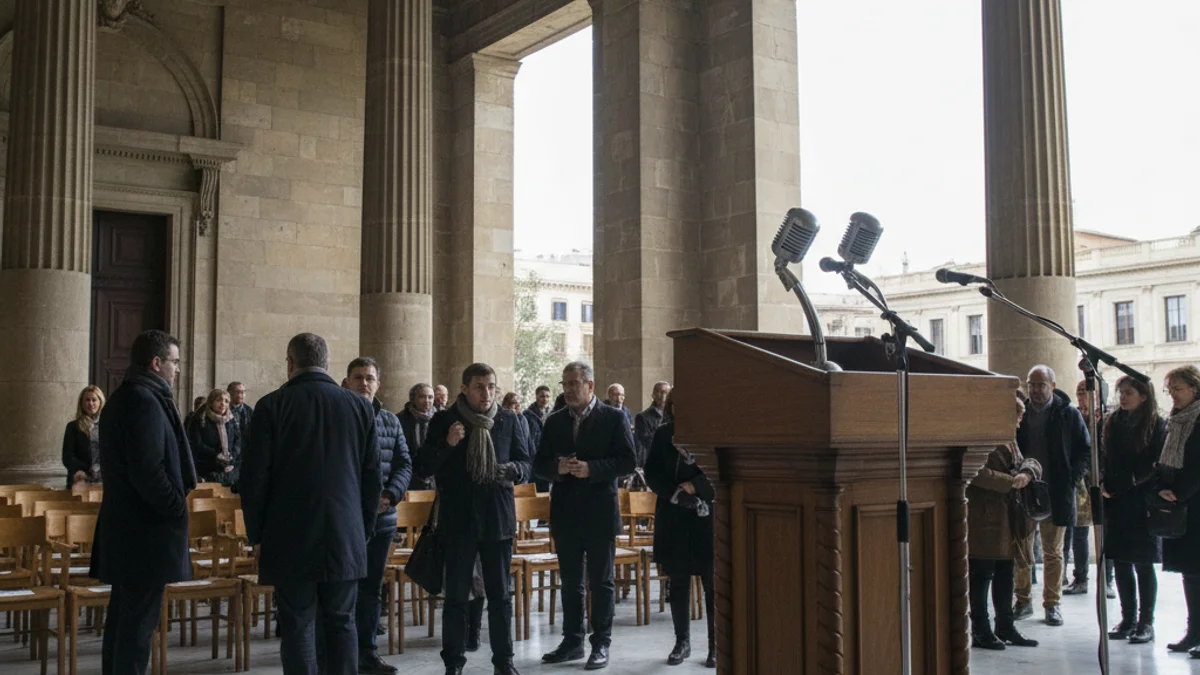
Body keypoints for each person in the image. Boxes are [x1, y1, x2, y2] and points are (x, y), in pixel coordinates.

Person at [240, 333, 382, 675]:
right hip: (345, 533)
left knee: (298, 624)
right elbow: (372, 478)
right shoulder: (359, 406)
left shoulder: (272, 406)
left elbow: (253, 479)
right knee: (342, 621)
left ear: (290, 364)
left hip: (288, 534)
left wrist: (256, 535)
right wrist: (363, 529)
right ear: (328, 364)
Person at [413, 363, 531, 675]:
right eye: (479, 386)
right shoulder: (444, 420)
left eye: (491, 386)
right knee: (455, 599)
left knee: (500, 596)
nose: (486, 393)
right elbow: (422, 467)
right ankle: (453, 663)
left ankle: (504, 662)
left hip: (497, 519)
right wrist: (446, 444)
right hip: (458, 521)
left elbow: (526, 462)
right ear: (464, 389)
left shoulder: (509, 420)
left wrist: (514, 470)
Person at [90, 329, 196, 675]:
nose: (177, 369)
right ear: (156, 363)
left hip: (129, 529)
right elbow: (148, 472)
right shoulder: (144, 401)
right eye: (174, 362)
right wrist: (177, 508)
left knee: (124, 621)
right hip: (144, 533)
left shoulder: (129, 396)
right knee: (136, 628)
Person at [535, 362, 637, 670]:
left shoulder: (613, 417)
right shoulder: (553, 422)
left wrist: (593, 469)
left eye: (574, 383)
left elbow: (629, 461)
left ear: (590, 386)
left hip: (599, 511)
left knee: (601, 581)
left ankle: (601, 643)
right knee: (569, 582)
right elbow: (538, 464)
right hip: (565, 511)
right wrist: (559, 468)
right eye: (564, 384)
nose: (567, 389)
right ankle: (572, 641)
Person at [343, 357, 411, 674]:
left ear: (378, 384)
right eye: (358, 377)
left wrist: (389, 495)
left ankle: (367, 652)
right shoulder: (339, 417)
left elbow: (404, 464)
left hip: (382, 521)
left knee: (371, 590)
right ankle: (342, 653)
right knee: (344, 589)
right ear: (347, 381)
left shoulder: (390, 421)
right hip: (347, 519)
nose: (364, 383)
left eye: (370, 378)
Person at [1012, 364, 1090, 626]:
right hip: (1024, 491)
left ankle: (1052, 605)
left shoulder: (1067, 413)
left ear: (1052, 386)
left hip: (1056, 491)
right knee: (1022, 549)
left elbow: (1084, 450)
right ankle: (1022, 601)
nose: (1035, 390)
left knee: (1054, 553)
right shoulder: (1017, 412)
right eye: (1031, 384)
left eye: (1041, 385)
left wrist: (1072, 477)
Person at [643, 390, 716, 667]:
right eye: (676, 405)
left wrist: (696, 485)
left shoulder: (711, 432)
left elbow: (719, 467)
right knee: (679, 582)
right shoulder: (664, 434)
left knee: (711, 583)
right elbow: (651, 472)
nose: (680, 409)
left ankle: (714, 646)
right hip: (673, 514)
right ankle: (681, 643)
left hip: (705, 516)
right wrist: (674, 492)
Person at [968, 394, 1041, 650]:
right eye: (1017, 417)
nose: (1020, 423)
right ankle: (980, 629)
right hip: (985, 516)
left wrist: (1027, 472)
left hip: (1008, 516)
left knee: (1005, 572)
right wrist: (1010, 482)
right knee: (982, 573)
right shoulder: (980, 438)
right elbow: (975, 471)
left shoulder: (1009, 439)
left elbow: (1027, 461)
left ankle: (1005, 625)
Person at [1101, 375, 1164, 644]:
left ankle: (1145, 622)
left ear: (1144, 396)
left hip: (1141, 501)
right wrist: (1103, 480)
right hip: (1114, 499)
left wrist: (1126, 483)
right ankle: (1127, 619)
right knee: (1121, 561)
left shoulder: (1156, 424)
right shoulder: (1113, 421)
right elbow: (1104, 455)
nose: (1123, 397)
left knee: (1143, 563)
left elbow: (1154, 463)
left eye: (1128, 393)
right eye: (1120, 392)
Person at [1156, 364, 1200, 655]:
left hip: (1194, 502)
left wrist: (1181, 492)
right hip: (1178, 505)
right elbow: (1163, 459)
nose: (1172, 394)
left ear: (1194, 390)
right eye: (1170, 389)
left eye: (1178, 389)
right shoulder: (1174, 419)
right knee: (1191, 574)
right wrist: (1161, 488)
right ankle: (1194, 632)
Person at [1064, 379, 1114, 598]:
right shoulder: (1074, 417)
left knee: (1105, 533)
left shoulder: (1109, 419)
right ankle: (1081, 578)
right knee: (1079, 532)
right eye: (1078, 392)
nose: (1081, 396)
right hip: (1080, 483)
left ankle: (1107, 580)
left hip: (1103, 482)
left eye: (1085, 392)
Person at [187, 388, 242, 489]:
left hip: (229, 470)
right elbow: (197, 443)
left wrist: (232, 456)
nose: (223, 404)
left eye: (226, 401)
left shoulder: (231, 419)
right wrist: (216, 455)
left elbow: (238, 440)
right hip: (206, 468)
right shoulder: (199, 419)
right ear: (211, 402)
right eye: (219, 400)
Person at [63, 385, 106, 488]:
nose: (90, 403)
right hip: (80, 480)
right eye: (87, 400)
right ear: (82, 403)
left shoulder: (108, 426)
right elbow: (68, 457)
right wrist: (87, 468)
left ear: (100, 402)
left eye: (94, 400)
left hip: (104, 480)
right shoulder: (73, 427)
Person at [399, 382, 437, 491]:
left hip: (435, 479)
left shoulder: (441, 419)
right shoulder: (401, 419)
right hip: (409, 478)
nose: (427, 401)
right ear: (413, 399)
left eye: (430, 397)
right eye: (422, 397)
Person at [634, 381, 671, 468]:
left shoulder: (673, 416)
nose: (663, 396)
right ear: (653, 395)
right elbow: (644, 443)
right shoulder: (643, 417)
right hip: (654, 461)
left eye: (667, 393)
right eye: (661, 392)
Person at [524, 386, 552, 492]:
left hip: (548, 455)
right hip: (533, 455)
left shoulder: (553, 413)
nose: (545, 399)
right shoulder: (528, 414)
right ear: (536, 396)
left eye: (547, 396)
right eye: (542, 396)